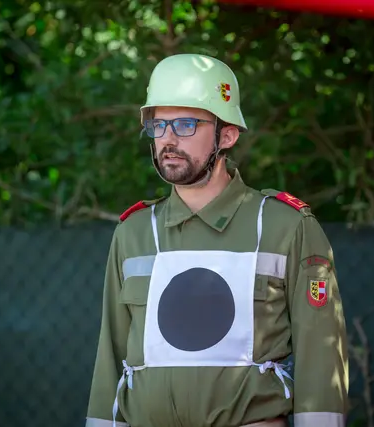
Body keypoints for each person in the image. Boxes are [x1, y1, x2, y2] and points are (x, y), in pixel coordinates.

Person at [86, 53, 349, 427]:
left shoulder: (284, 226)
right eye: (158, 125)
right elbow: (111, 359)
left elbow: (321, 358)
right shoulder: (134, 232)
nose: (168, 139)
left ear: (227, 135)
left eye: (186, 124)